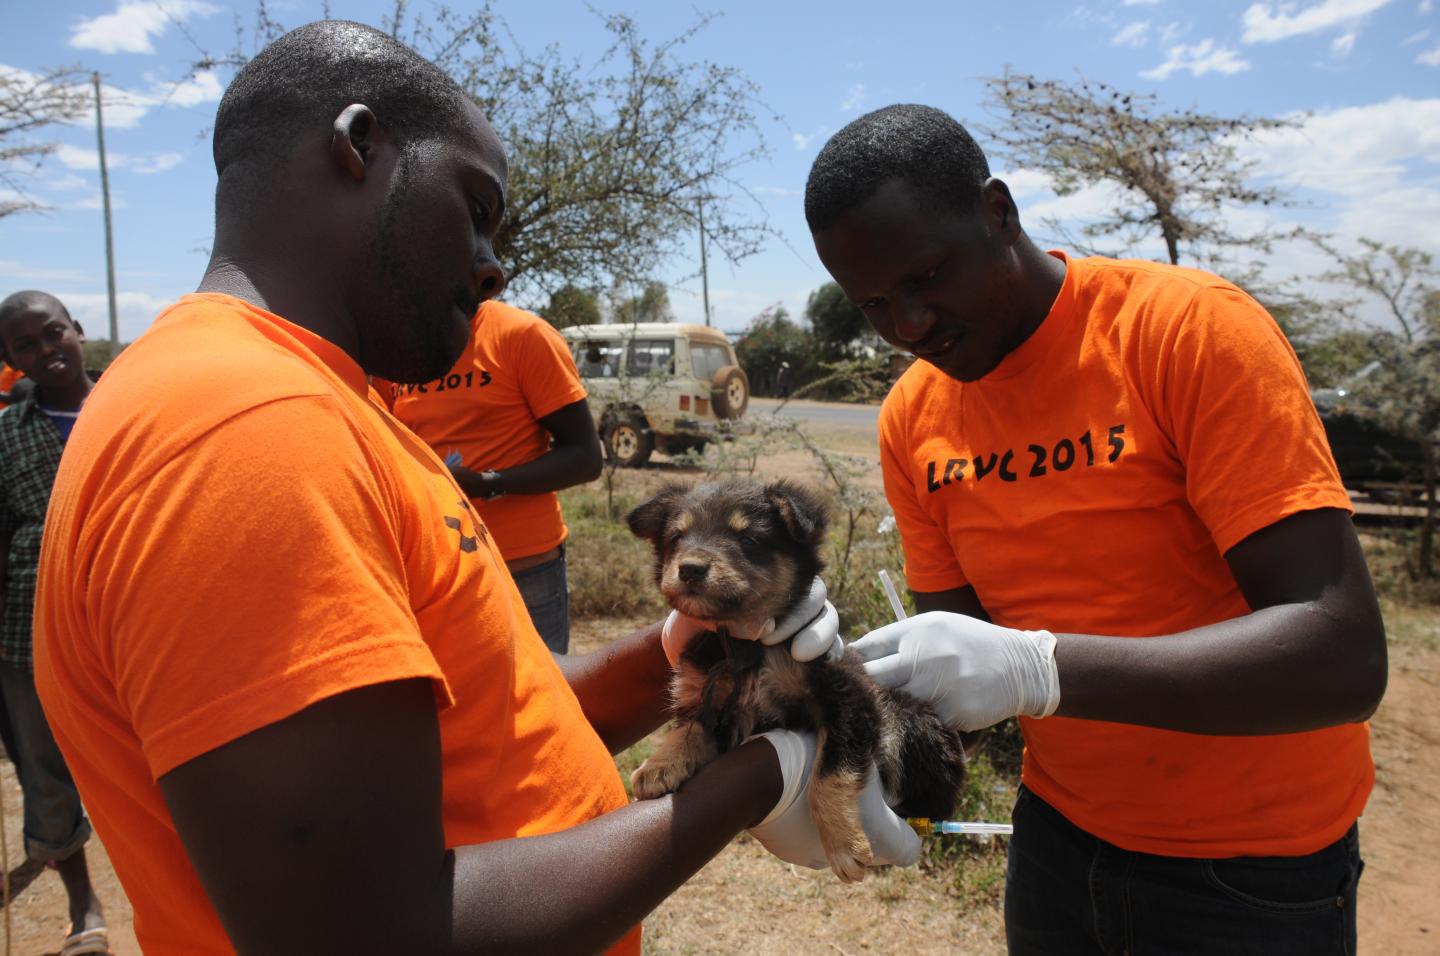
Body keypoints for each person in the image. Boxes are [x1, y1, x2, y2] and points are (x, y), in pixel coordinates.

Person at [31, 22, 916, 955]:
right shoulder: (248, 430)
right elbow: (370, 934)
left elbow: (495, 707)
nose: (495, 263)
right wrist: (763, 776)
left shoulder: (324, 402)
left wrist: (695, 643)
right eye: (476, 206)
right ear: (358, 146)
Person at [804, 104, 1387, 956]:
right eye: (875, 304)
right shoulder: (913, 419)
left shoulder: (1185, 332)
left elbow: (1341, 657)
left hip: (1255, 870)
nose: (909, 327)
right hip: (1059, 845)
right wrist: (830, 749)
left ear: (998, 214)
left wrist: (1041, 669)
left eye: (927, 277)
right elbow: (957, 683)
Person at [382, 299, 602, 652]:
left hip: (522, 567)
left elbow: (585, 458)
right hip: (435, 568)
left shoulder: (523, 336)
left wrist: (490, 483)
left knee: (541, 696)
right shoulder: (398, 348)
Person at [0, 291, 108, 956]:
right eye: (26, 346)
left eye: (54, 333)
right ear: (8, 362)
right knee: (44, 767)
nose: (47, 351)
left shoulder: (134, 405)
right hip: (27, 628)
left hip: (136, 622)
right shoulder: (6, 437)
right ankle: (83, 901)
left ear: (77, 330)